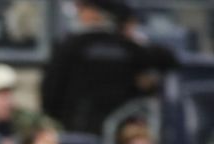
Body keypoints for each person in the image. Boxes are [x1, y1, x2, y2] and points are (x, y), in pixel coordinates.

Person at [41, 0, 177, 134]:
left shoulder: (69, 46)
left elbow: (51, 93)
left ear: (95, 13)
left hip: (78, 128)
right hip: (120, 133)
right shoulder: (128, 47)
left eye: (83, 9)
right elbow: (169, 60)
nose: (79, 13)